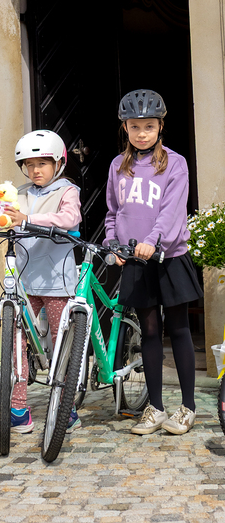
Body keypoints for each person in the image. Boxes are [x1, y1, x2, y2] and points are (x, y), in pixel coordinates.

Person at [0, 130, 82, 435]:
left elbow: (70, 219)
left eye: (42, 163)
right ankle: (17, 410)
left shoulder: (67, 191)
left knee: (60, 343)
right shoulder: (21, 193)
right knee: (16, 344)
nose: (35, 170)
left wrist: (27, 220)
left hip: (56, 281)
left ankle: (66, 406)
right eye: (29, 165)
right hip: (24, 283)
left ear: (58, 163)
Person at [105, 88, 202, 436]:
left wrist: (152, 241)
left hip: (168, 257)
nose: (141, 133)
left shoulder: (175, 163)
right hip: (136, 260)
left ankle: (188, 407)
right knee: (148, 331)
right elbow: (113, 212)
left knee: (178, 329)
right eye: (134, 126)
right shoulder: (118, 165)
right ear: (125, 128)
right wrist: (112, 243)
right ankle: (156, 407)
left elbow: (172, 211)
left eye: (148, 126)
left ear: (160, 126)